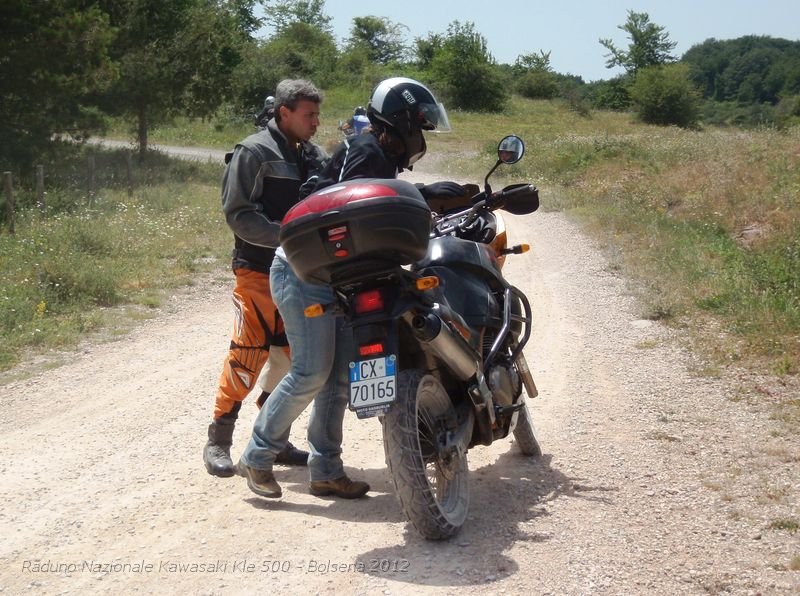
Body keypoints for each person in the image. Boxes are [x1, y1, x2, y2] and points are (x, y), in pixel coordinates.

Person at [237, 77, 464, 501]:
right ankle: (256, 455)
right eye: (420, 126)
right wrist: (423, 194)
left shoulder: (380, 157)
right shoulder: (365, 150)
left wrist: (425, 201)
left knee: (340, 379)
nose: (422, 136)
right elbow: (345, 200)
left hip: (337, 276)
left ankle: (325, 469)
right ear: (402, 122)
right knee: (310, 371)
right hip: (304, 272)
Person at [203, 79, 328, 478]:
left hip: (304, 272)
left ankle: (274, 440)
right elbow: (238, 215)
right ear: (284, 113)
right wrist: (288, 235)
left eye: (317, 114)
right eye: (309, 115)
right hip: (257, 268)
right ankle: (218, 442)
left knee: (296, 359)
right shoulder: (254, 151)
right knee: (249, 353)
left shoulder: (313, 156)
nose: (316, 122)